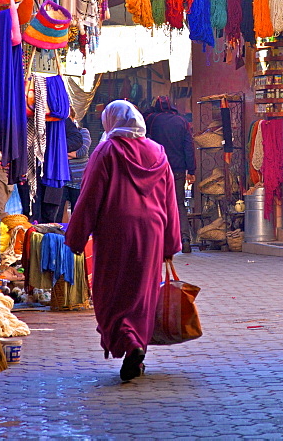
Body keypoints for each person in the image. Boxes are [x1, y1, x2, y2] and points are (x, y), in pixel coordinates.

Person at [65, 100, 181, 381]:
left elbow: (90, 195)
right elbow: (169, 200)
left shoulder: (107, 150)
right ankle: (137, 346)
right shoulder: (157, 152)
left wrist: (77, 236)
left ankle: (128, 340)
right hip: (152, 231)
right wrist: (171, 242)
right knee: (143, 291)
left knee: (113, 289)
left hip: (116, 230)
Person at [143, 96, 196, 252]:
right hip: (178, 170)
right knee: (179, 204)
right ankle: (185, 239)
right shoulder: (181, 121)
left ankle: (160, 240)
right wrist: (191, 170)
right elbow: (189, 147)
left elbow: (145, 135)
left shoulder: (152, 119)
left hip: (157, 169)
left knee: (157, 204)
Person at [51, 111, 91, 222]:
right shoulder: (58, 135)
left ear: (73, 118)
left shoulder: (83, 132)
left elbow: (82, 151)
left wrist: (60, 152)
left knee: (78, 214)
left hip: (79, 180)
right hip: (62, 179)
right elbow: (52, 150)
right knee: (57, 213)